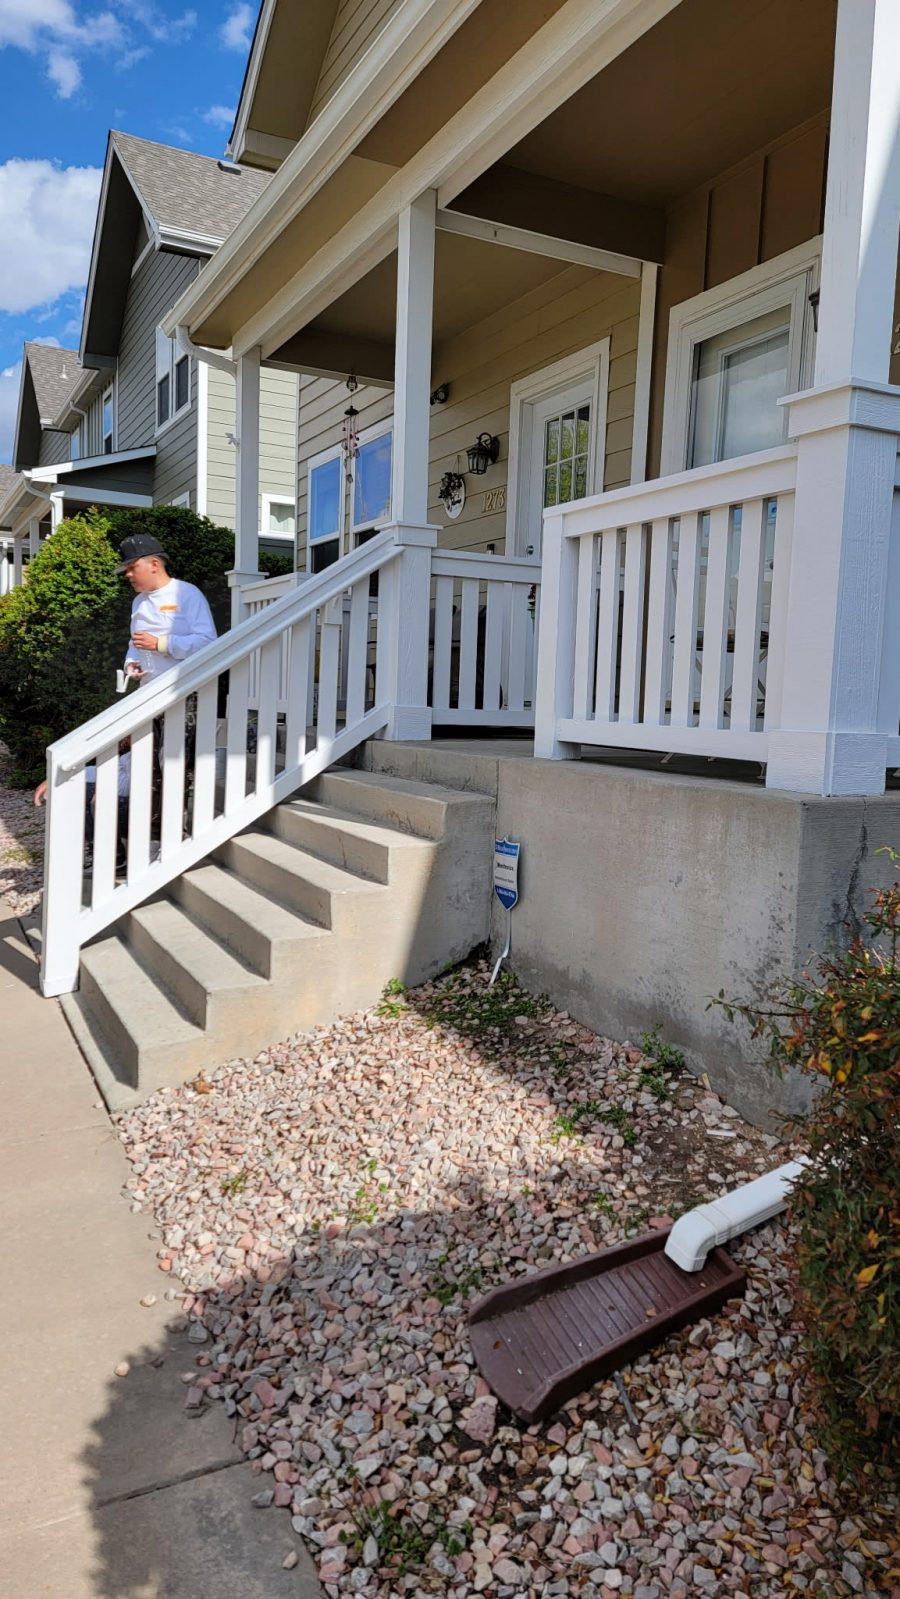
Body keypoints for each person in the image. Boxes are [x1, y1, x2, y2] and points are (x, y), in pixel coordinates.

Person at [35, 533, 217, 865]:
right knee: (150, 772)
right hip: (146, 698)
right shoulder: (138, 603)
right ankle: (134, 848)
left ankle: (180, 841)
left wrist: (162, 644)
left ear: (154, 564)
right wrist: (130, 663)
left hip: (183, 697)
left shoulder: (187, 595)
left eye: (132, 568)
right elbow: (135, 645)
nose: (128, 575)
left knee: (175, 767)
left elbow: (209, 643)